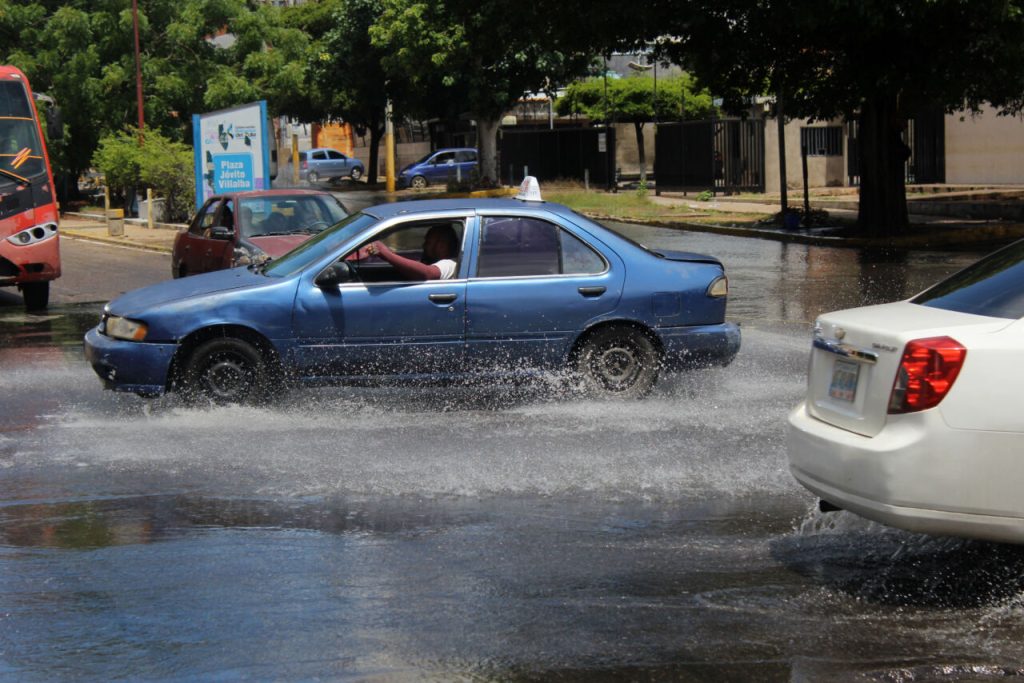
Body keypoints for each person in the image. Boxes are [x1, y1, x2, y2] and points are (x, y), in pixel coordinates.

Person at [359, 224, 459, 281]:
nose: (424, 246)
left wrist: (384, 252)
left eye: (428, 242)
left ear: (442, 246)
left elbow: (428, 273)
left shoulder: (450, 264)